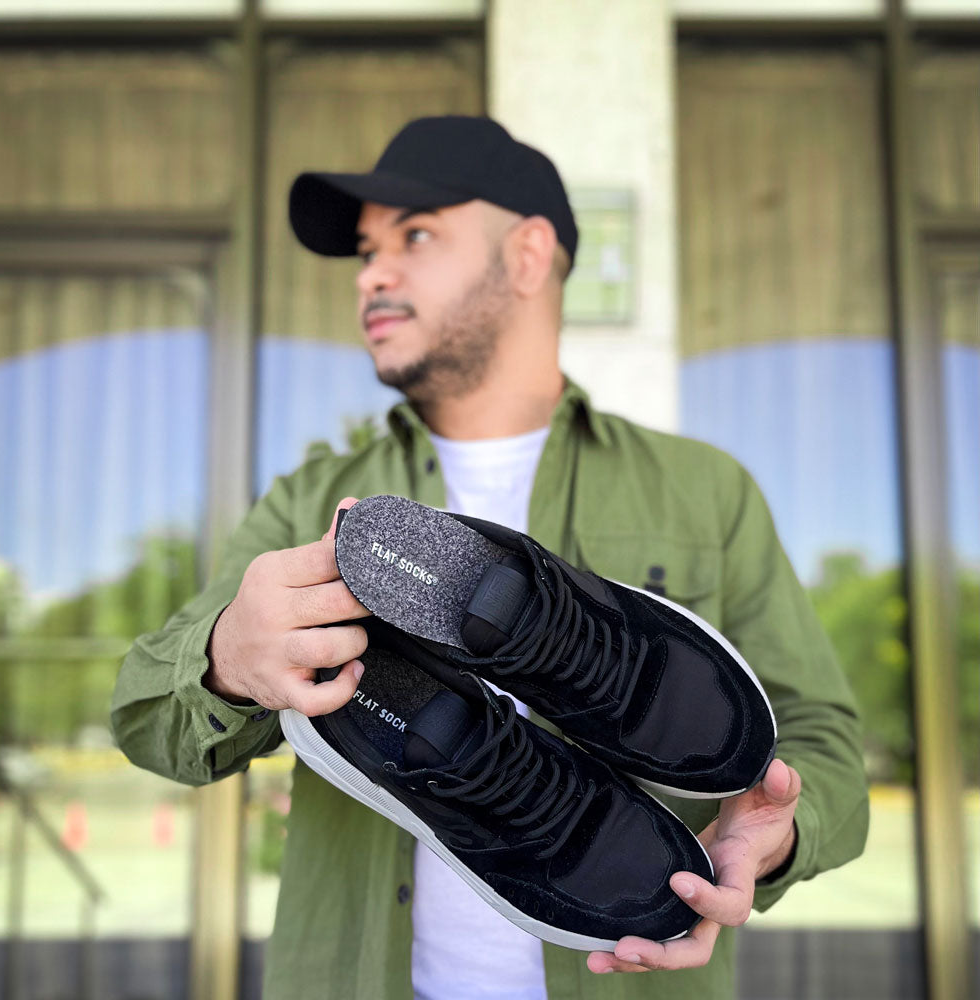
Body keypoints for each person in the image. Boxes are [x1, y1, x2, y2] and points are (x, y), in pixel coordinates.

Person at [112, 115, 868, 1000]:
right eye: (364, 253)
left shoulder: (703, 490)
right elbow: (142, 717)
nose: (374, 275)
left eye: (416, 235)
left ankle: (558, 643)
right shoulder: (305, 501)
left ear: (528, 254)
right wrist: (227, 659)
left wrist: (772, 832)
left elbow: (826, 740)